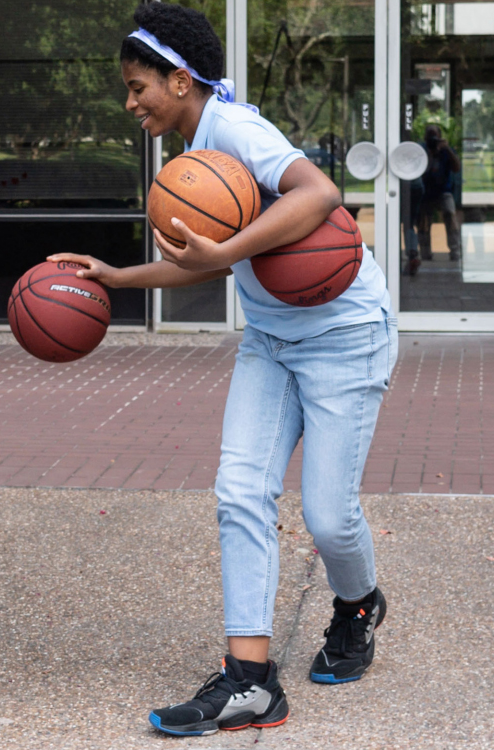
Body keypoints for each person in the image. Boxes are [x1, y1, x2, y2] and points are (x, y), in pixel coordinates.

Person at [49, 2, 396, 737]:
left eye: (138, 85)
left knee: (330, 518)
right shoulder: (192, 156)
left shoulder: (234, 131)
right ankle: (250, 681)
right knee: (240, 492)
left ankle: (358, 602)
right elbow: (199, 263)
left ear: (179, 80)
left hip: (344, 337)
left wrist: (227, 254)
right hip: (271, 341)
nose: (130, 100)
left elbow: (321, 194)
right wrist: (115, 276)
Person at [417, 123, 462, 262]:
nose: (432, 139)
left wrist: (447, 149)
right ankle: (425, 254)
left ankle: (455, 251)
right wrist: (430, 154)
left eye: (434, 136)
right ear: (425, 137)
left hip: (443, 191)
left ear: (440, 137)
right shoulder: (421, 150)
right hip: (425, 192)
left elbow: (456, 168)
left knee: (450, 214)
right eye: (429, 135)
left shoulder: (445, 150)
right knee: (423, 221)